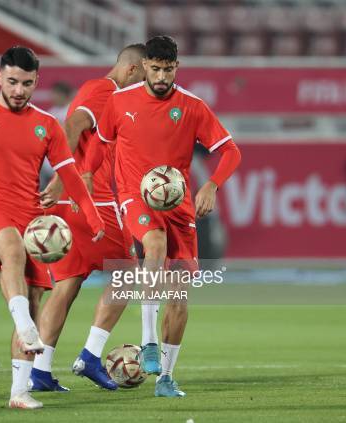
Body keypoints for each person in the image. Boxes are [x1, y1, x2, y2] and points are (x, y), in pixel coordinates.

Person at [73, 35, 241, 397]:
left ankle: (165, 377)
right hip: (136, 196)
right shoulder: (120, 101)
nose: (162, 75)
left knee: (179, 298)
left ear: (176, 67)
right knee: (154, 244)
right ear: (145, 66)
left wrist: (211, 184)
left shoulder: (192, 106)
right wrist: (86, 175)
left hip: (178, 205)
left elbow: (231, 152)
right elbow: (101, 143)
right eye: (156, 68)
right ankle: (148, 340)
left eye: (168, 69)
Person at [0, 46, 105, 409]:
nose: (19, 90)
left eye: (27, 83)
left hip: (32, 218)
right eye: (12, 81)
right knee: (12, 249)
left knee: (33, 300)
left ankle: (18, 392)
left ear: (36, 82)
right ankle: (26, 327)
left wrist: (92, 216)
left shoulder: (47, 125)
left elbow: (70, 177)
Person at [33, 44, 154, 392]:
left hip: (74, 200)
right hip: (93, 200)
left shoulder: (104, 93)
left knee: (67, 285)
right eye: (144, 77)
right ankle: (91, 354)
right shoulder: (104, 91)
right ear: (132, 70)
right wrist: (59, 178)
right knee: (128, 274)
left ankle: (39, 371)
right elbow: (71, 125)